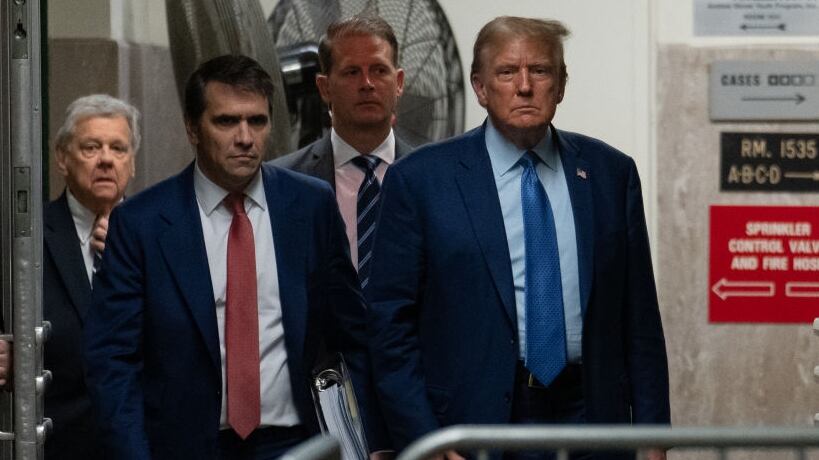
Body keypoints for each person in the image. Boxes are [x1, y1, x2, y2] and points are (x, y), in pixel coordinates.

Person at [365, 16, 670, 460]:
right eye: (507, 73)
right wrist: (425, 439)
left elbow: (640, 319)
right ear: (481, 88)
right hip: (471, 426)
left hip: (591, 418)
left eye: (541, 71)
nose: (524, 86)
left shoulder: (610, 174)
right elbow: (390, 328)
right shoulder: (422, 181)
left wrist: (653, 438)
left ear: (561, 85)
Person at [84, 54, 381, 459]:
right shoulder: (142, 224)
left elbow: (353, 333)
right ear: (193, 128)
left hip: (298, 444)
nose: (245, 137)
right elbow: (113, 362)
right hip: (186, 446)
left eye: (256, 121)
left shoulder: (309, 207)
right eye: (226, 121)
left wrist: (361, 439)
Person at [272, 14, 410, 288]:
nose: (367, 83)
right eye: (352, 72)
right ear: (324, 87)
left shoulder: (432, 178)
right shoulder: (281, 182)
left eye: (380, 70)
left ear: (399, 82)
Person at [42, 94, 140, 460]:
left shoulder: (159, 233)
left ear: (131, 163)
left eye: (118, 148)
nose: (105, 160)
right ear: (62, 158)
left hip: (141, 443)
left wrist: (129, 253)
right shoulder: (27, 236)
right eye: (91, 147)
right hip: (58, 443)